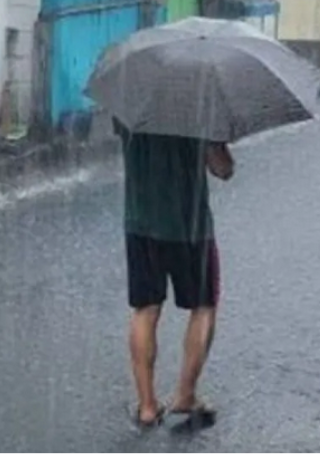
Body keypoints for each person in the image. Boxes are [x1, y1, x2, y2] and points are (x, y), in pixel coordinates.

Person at [114, 118, 234, 430]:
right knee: (203, 306)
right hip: (189, 225)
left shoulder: (129, 102)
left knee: (146, 308)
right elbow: (222, 169)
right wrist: (216, 142)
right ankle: (185, 395)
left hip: (140, 221)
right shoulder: (200, 105)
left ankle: (147, 406)